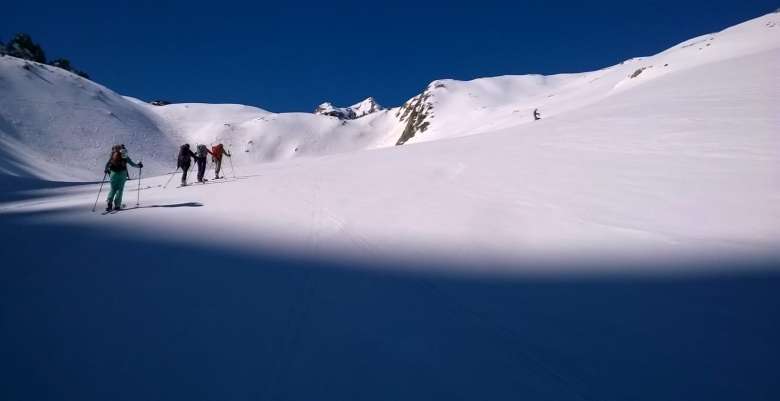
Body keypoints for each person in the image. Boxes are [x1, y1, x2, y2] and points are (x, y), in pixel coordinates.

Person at [104, 144, 143, 211]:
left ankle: (109, 204)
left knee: (113, 189)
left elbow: (108, 164)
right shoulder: (125, 156)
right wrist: (139, 166)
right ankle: (117, 205)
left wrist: (106, 170)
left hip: (113, 174)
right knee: (120, 189)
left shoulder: (113, 155)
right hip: (122, 174)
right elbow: (132, 164)